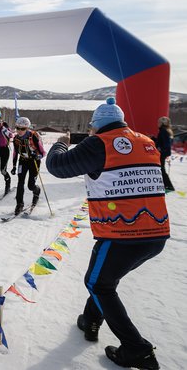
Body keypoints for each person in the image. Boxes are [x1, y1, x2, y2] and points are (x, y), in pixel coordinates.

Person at [46, 97, 169, 370]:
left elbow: (57, 166)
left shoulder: (100, 143)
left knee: (98, 283)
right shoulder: (145, 141)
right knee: (105, 279)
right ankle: (90, 320)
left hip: (122, 233)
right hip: (156, 232)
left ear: (96, 126)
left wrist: (61, 142)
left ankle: (137, 349)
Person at [11, 117, 45, 214]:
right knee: (20, 182)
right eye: (17, 128)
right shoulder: (16, 138)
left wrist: (37, 156)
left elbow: (43, 152)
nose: (19, 131)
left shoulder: (33, 136)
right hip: (23, 161)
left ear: (27, 128)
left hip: (34, 162)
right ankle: (19, 204)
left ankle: (36, 190)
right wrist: (13, 166)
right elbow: (15, 153)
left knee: (30, 185)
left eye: (22, 129)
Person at [156, 116, 175, 192]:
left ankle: (169, 186)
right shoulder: (167, 130)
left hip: (162, 153)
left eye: (159, 122)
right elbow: (163, 141)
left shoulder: (163, 131)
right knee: (161, 169)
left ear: (162, 123)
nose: (158, 124)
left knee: (161, 169)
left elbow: (166, 144)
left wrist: (161, 150)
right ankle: (166, 184)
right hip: (164, 152)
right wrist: (153, 138)